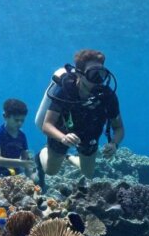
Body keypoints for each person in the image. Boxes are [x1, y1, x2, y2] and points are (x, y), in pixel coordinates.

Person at [35, 49, 125, 182]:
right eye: (93, 74)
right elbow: (47, 125)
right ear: (79, 74)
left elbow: (119, 128)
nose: (98, 80)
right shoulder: (66, 91)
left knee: (88, 174)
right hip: (62, 131)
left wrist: (114, 144)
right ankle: (43, 152)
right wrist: (63, 137)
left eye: (102, 74)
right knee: (51, 171)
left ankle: (69, 157)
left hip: (89, 133)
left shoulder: (108, 96)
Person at [0, 98, 36, 178]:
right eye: (16, 120)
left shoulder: (22, 136)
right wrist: (20, 163)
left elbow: (26, 159)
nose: (19, 123)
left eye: (22, 120)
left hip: (13, 175)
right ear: (5, 116)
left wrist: (33, 177)